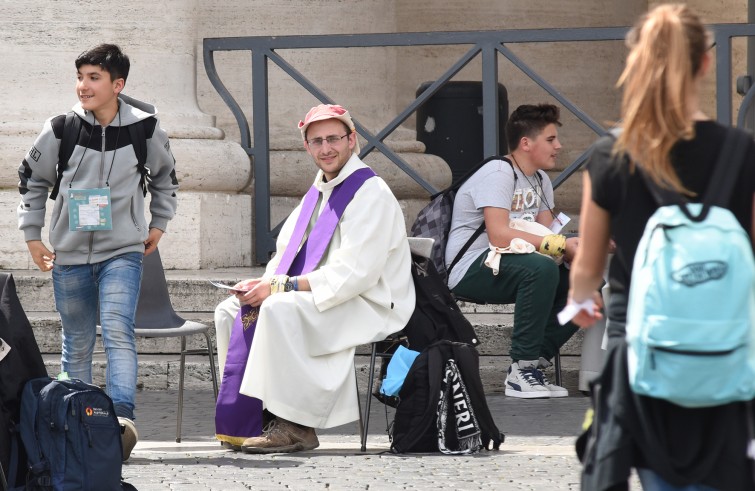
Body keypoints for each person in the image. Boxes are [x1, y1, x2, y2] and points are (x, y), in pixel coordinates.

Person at [568, 4, 755, 489]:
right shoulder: (742, 151)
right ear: (706, 63)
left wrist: (582, 300)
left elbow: (588, 268)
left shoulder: (611, 155)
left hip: (645, 357)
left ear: (638, 64)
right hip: (727, 355)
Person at [213, 103, 415, 453]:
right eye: (317, 141)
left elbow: (355, 273)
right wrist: (260, 284)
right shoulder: (318, 191)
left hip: (370, 301)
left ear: (352, 139)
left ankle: (296, 425)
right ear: (307, 147)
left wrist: (279, 287)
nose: (326, 149)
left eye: (334, 138)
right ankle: (254, 418)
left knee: (279, 309)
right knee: (231, 311)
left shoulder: (371, 193)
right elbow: (286, 254)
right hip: (325, 291)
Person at [17, 43, 179, 461]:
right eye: (80, 77)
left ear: (117, 84)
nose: (83, 86)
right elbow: (32, 180)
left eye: (94, 78)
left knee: (118, 329)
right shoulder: (60, 128)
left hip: (123, 251)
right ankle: (80, 421)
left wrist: (159, 223)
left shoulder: (145, 129)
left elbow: (165, 177)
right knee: (77, 342)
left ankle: (120, 422)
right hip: (68, 255)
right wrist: (32, 235)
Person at [445, 103, 578, 399]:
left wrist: (579, 249)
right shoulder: (499, 172)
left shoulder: (541, 179)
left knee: (587, 279)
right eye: (551, 139)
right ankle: (521, 370)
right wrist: (559, 246)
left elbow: (546, 237)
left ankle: (533, 366)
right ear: (526, 143)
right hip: (471, 266)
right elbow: (499, 234)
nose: (559, 146)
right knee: (541, 269)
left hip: (515, 264)